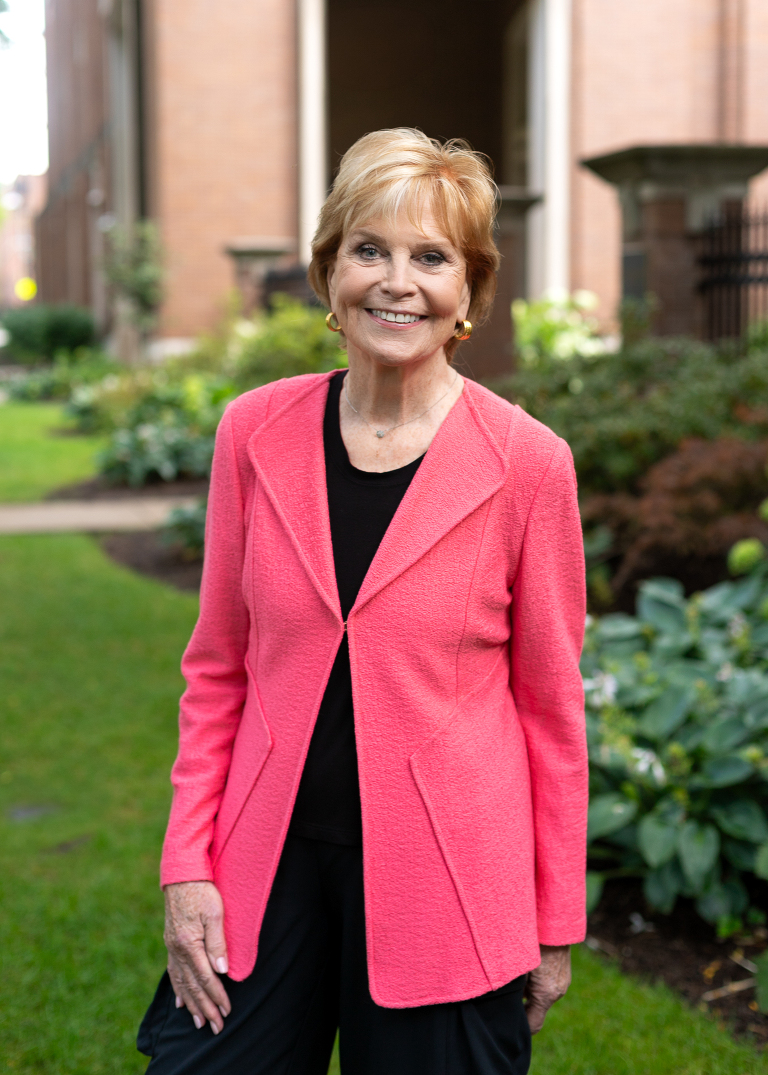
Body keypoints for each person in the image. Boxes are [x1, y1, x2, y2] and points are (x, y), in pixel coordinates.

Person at [138, 128, 588, 1075]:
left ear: (469, 291)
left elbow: (551, 712)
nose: (397, 282)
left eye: (432, 258)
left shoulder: (530, 464)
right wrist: (187, 864)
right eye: (370, 249)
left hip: (449, 881)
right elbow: (216, 668)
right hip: (266, 861)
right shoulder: (253, 431)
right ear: (330, 270)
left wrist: (553, 924)